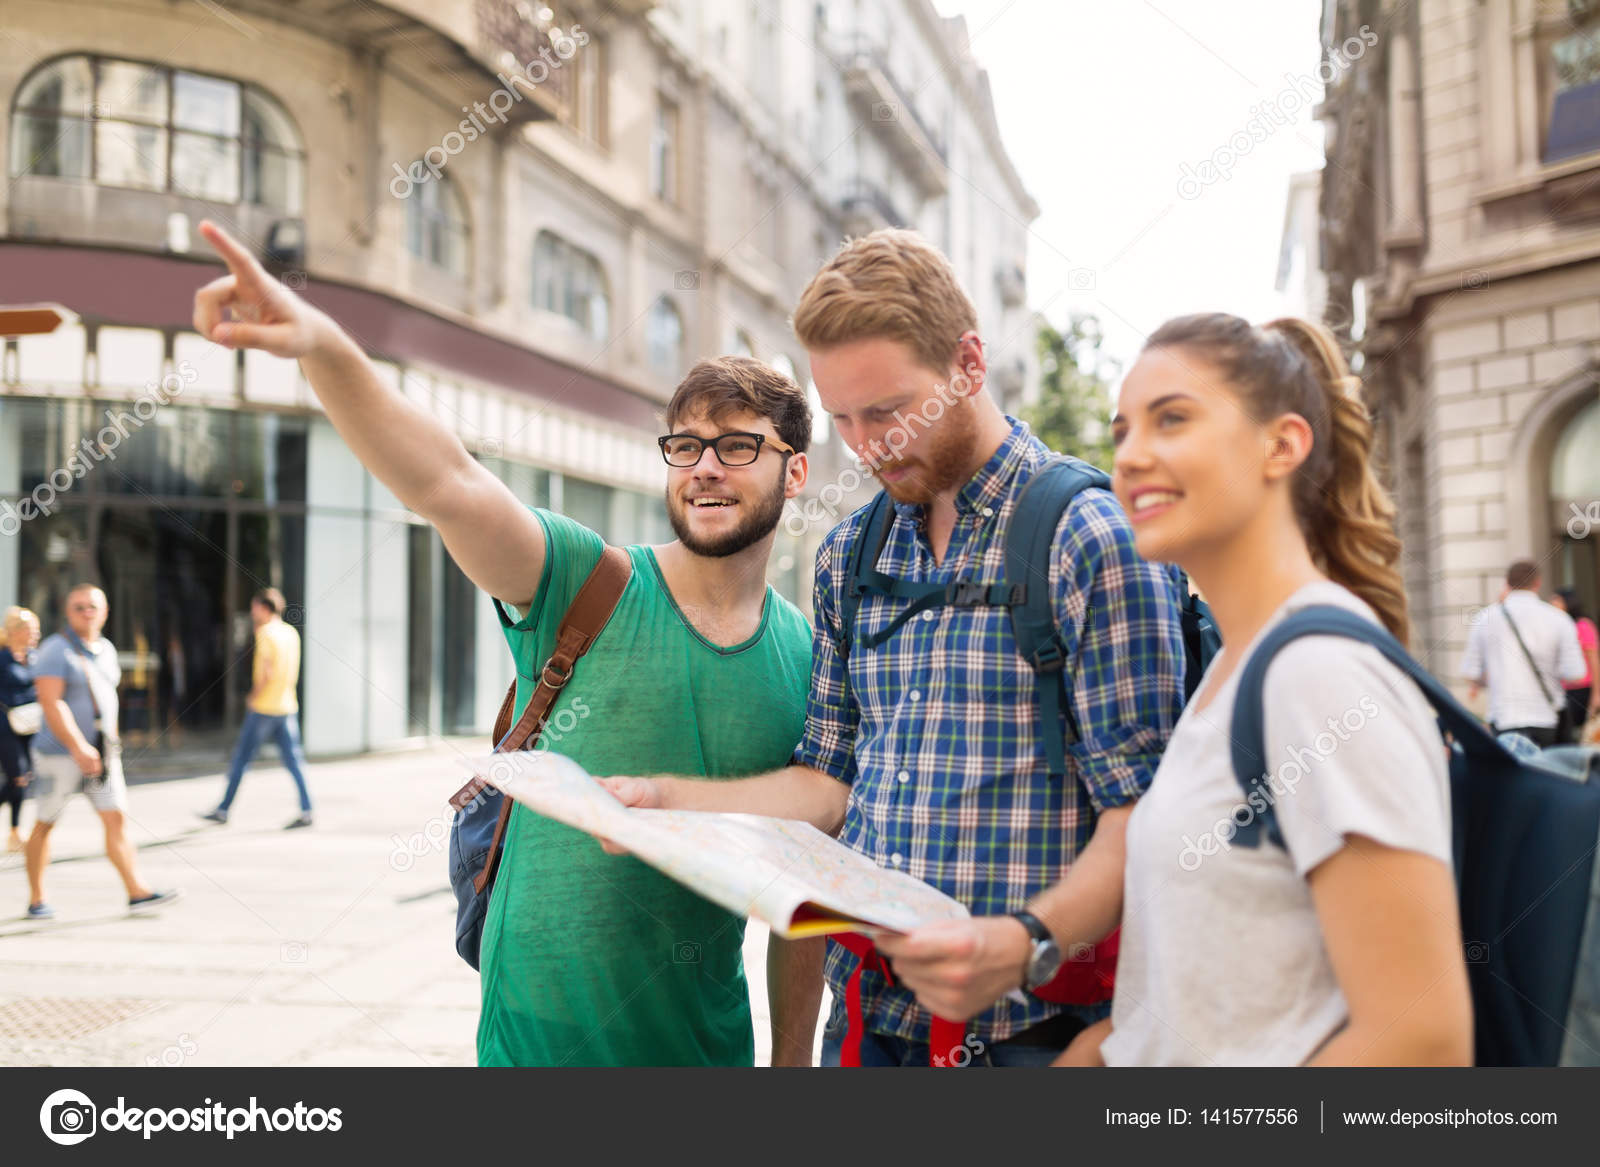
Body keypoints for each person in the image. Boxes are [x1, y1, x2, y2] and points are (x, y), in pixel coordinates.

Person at [190, 219, 824, 1067]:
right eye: (685, 445)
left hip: (706, 1051)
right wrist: (322, 346)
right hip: (536, 1047)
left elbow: (800, 889)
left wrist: (792, 1067)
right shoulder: (586, 579)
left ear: (797, 472)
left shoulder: (813, 662)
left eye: (739, 444)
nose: (705, 465)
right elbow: (446, 480)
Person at [602, 229, 1188, 1066]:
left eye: (887, 410)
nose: (865, 443)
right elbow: (828, 784)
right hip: (868, 1028)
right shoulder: (851, 556)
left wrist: (1022, 944)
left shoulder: (1087, 538)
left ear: (970, 363)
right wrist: (671, 801)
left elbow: (1151, 817)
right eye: (840, 416)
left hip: (1031, 1040)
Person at [1047, 312, 1471, 1066]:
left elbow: (1421, 1041)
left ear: (1282, 443)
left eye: (1171, 419)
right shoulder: (1232, 668)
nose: (1133, 456)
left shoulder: (1319, 674)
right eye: (1121, 433)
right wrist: (1106, 1048)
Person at [24, 584, 181, 920]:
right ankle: (37, 899)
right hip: (60, 755)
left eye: (92, 606)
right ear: (68, 613)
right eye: (79, 607)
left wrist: (107, 744)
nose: (86, 612)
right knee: (45, 823)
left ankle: (137, 891)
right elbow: (51, 702)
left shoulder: (106, 650)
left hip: (102, 756)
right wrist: (78, 745)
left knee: (116, 818)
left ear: (105, 611)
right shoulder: (56, 650)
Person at [200, 588, 313, 829]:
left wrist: (252, 697)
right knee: (294, 761)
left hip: (264, 708)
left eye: (254, 608)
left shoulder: (266, 634)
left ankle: (223, 809)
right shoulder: (291, 633)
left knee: (241, 759)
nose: (252, 613)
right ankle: (307, 809)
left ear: (264, 608)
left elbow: (267, 673)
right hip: (287, 705)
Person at [1461, 561, 1587, 746]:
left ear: (1507, 583)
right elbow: (1576, 674)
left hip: (1503, 716)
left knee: (1510, 775)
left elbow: (1470, 673)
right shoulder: (1560, 619)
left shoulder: (1484, 618)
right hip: (1546, 717)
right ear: (1537, 583)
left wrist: (1494, 676)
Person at [0, 607, 41, 853]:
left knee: (25, 779)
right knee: (18, 777)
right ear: (16, 631)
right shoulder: (2, 658)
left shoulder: (34, 657)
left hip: (30, 724)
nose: (35, 634)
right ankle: (16, 832)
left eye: (37, 630)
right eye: (31, 630)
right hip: (5, 725)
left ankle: (15, 833)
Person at [1550, 587, 1599, 742]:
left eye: (1556, 600)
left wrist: (1596, 695)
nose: (1552, 604)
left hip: (1581, 690)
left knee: (1580, 736)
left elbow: (1594, 660)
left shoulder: (1582, 625)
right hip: (1560, 690)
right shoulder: (1556, 626)